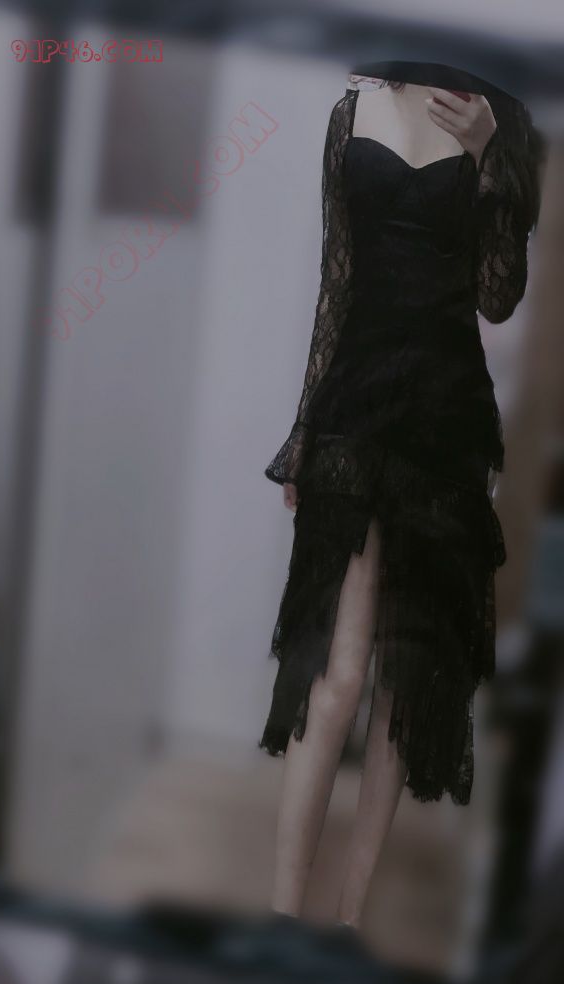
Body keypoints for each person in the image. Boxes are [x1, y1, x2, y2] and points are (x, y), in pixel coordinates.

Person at [258, 68, 544, 929]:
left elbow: (498, 297)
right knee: (338, 677)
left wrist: (489, 158)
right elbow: (335, 284)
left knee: (403, 682)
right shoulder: (353, 110)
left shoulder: (504, 122)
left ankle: (347, 924)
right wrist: (306, 431)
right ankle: (283, 920)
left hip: (446, 420)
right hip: (355, 404)